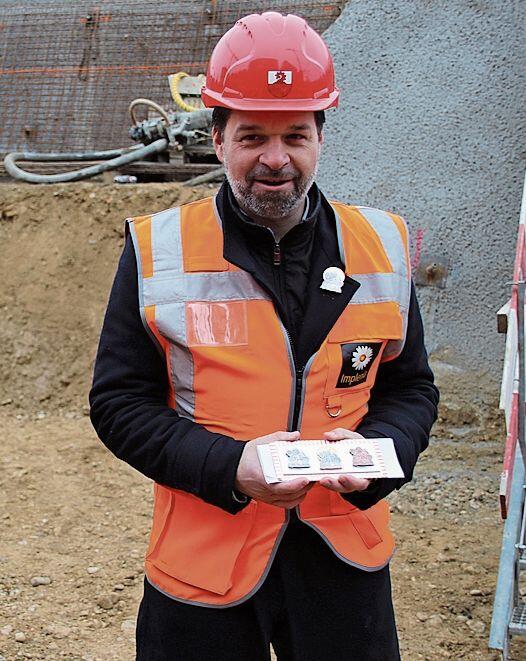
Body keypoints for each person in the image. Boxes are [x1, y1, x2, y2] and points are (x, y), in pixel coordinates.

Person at [89, 11, 438, 661]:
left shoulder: (382, 247)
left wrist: (376, 455)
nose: (276, 159)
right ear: (218, 138)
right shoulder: (158, 251)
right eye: (252, 135)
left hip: (342, 567)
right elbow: (118, 404)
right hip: (205, 569)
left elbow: (411, 387)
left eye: (295, 135)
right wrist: (232, 467)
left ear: (321, 137)